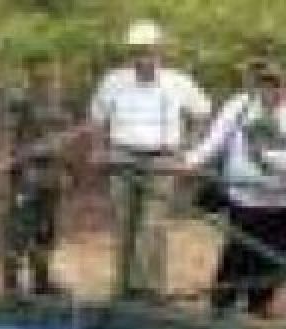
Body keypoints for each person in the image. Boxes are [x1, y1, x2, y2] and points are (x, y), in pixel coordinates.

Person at [89, 19, 211, 296]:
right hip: (122, 156)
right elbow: (97, 118)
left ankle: (149, 289)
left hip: (162, 159)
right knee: (124, 223)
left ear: (160, 51)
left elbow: (202, 113)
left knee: (152, 225)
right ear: (130, 53)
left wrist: (186, 153)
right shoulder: (114, 81)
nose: (143, 57)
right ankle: (123, 287)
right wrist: (99, 149)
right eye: (137, 51)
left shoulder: (178, 82)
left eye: (148, 50)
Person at [184, 59, 286, 316]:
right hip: (243, 196)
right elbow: (215, 141)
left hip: (280, 201)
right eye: (265, 84)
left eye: (276, 85)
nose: (270, 91)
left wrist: (270, 159)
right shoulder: (239, 106)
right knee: (237, 251)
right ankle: (222, 301)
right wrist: (189, 160)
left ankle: (259, 304)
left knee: (271, 254)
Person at [0, 51, 72, 298]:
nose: (49, 73)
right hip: (28, 175)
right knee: (20, 228)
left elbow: (64, 138)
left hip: (53, 175)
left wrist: (65, 168)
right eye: (42, 67)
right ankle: (11, 285)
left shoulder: (57, 100)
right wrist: (17, 161)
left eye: (51, 67)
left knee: (46, 229)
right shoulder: (19, 99)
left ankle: (42, 280)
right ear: (31, 70)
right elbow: (8, 139)